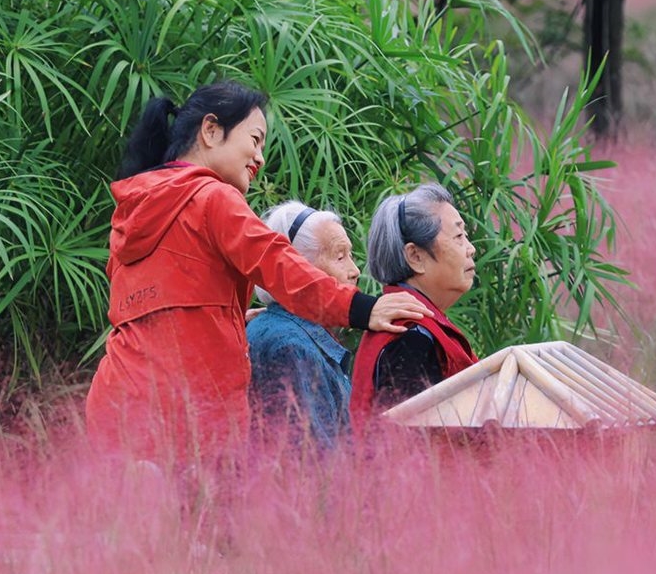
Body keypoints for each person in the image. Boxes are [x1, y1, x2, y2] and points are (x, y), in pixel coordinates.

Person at [85, 81, 425, 458]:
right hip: (181, 418)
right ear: (211, 131)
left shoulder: (137, 207)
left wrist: (225, 318)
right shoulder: (211, 195)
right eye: (255, 139)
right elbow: (276, 261)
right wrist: (363, 308)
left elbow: (149, 306)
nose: (260, 157)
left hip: (115, 405)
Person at [349, 182, 479, 429]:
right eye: (459, 236)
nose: (471, 249)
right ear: (415, 257)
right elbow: (411, 453)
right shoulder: (410, 336)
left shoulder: (416, 326)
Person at [247, 202, 361, 449]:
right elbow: (316, 467)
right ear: (297, 269)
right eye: (339, 257)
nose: (355, 271)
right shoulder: (291, 347)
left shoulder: (284, 332)